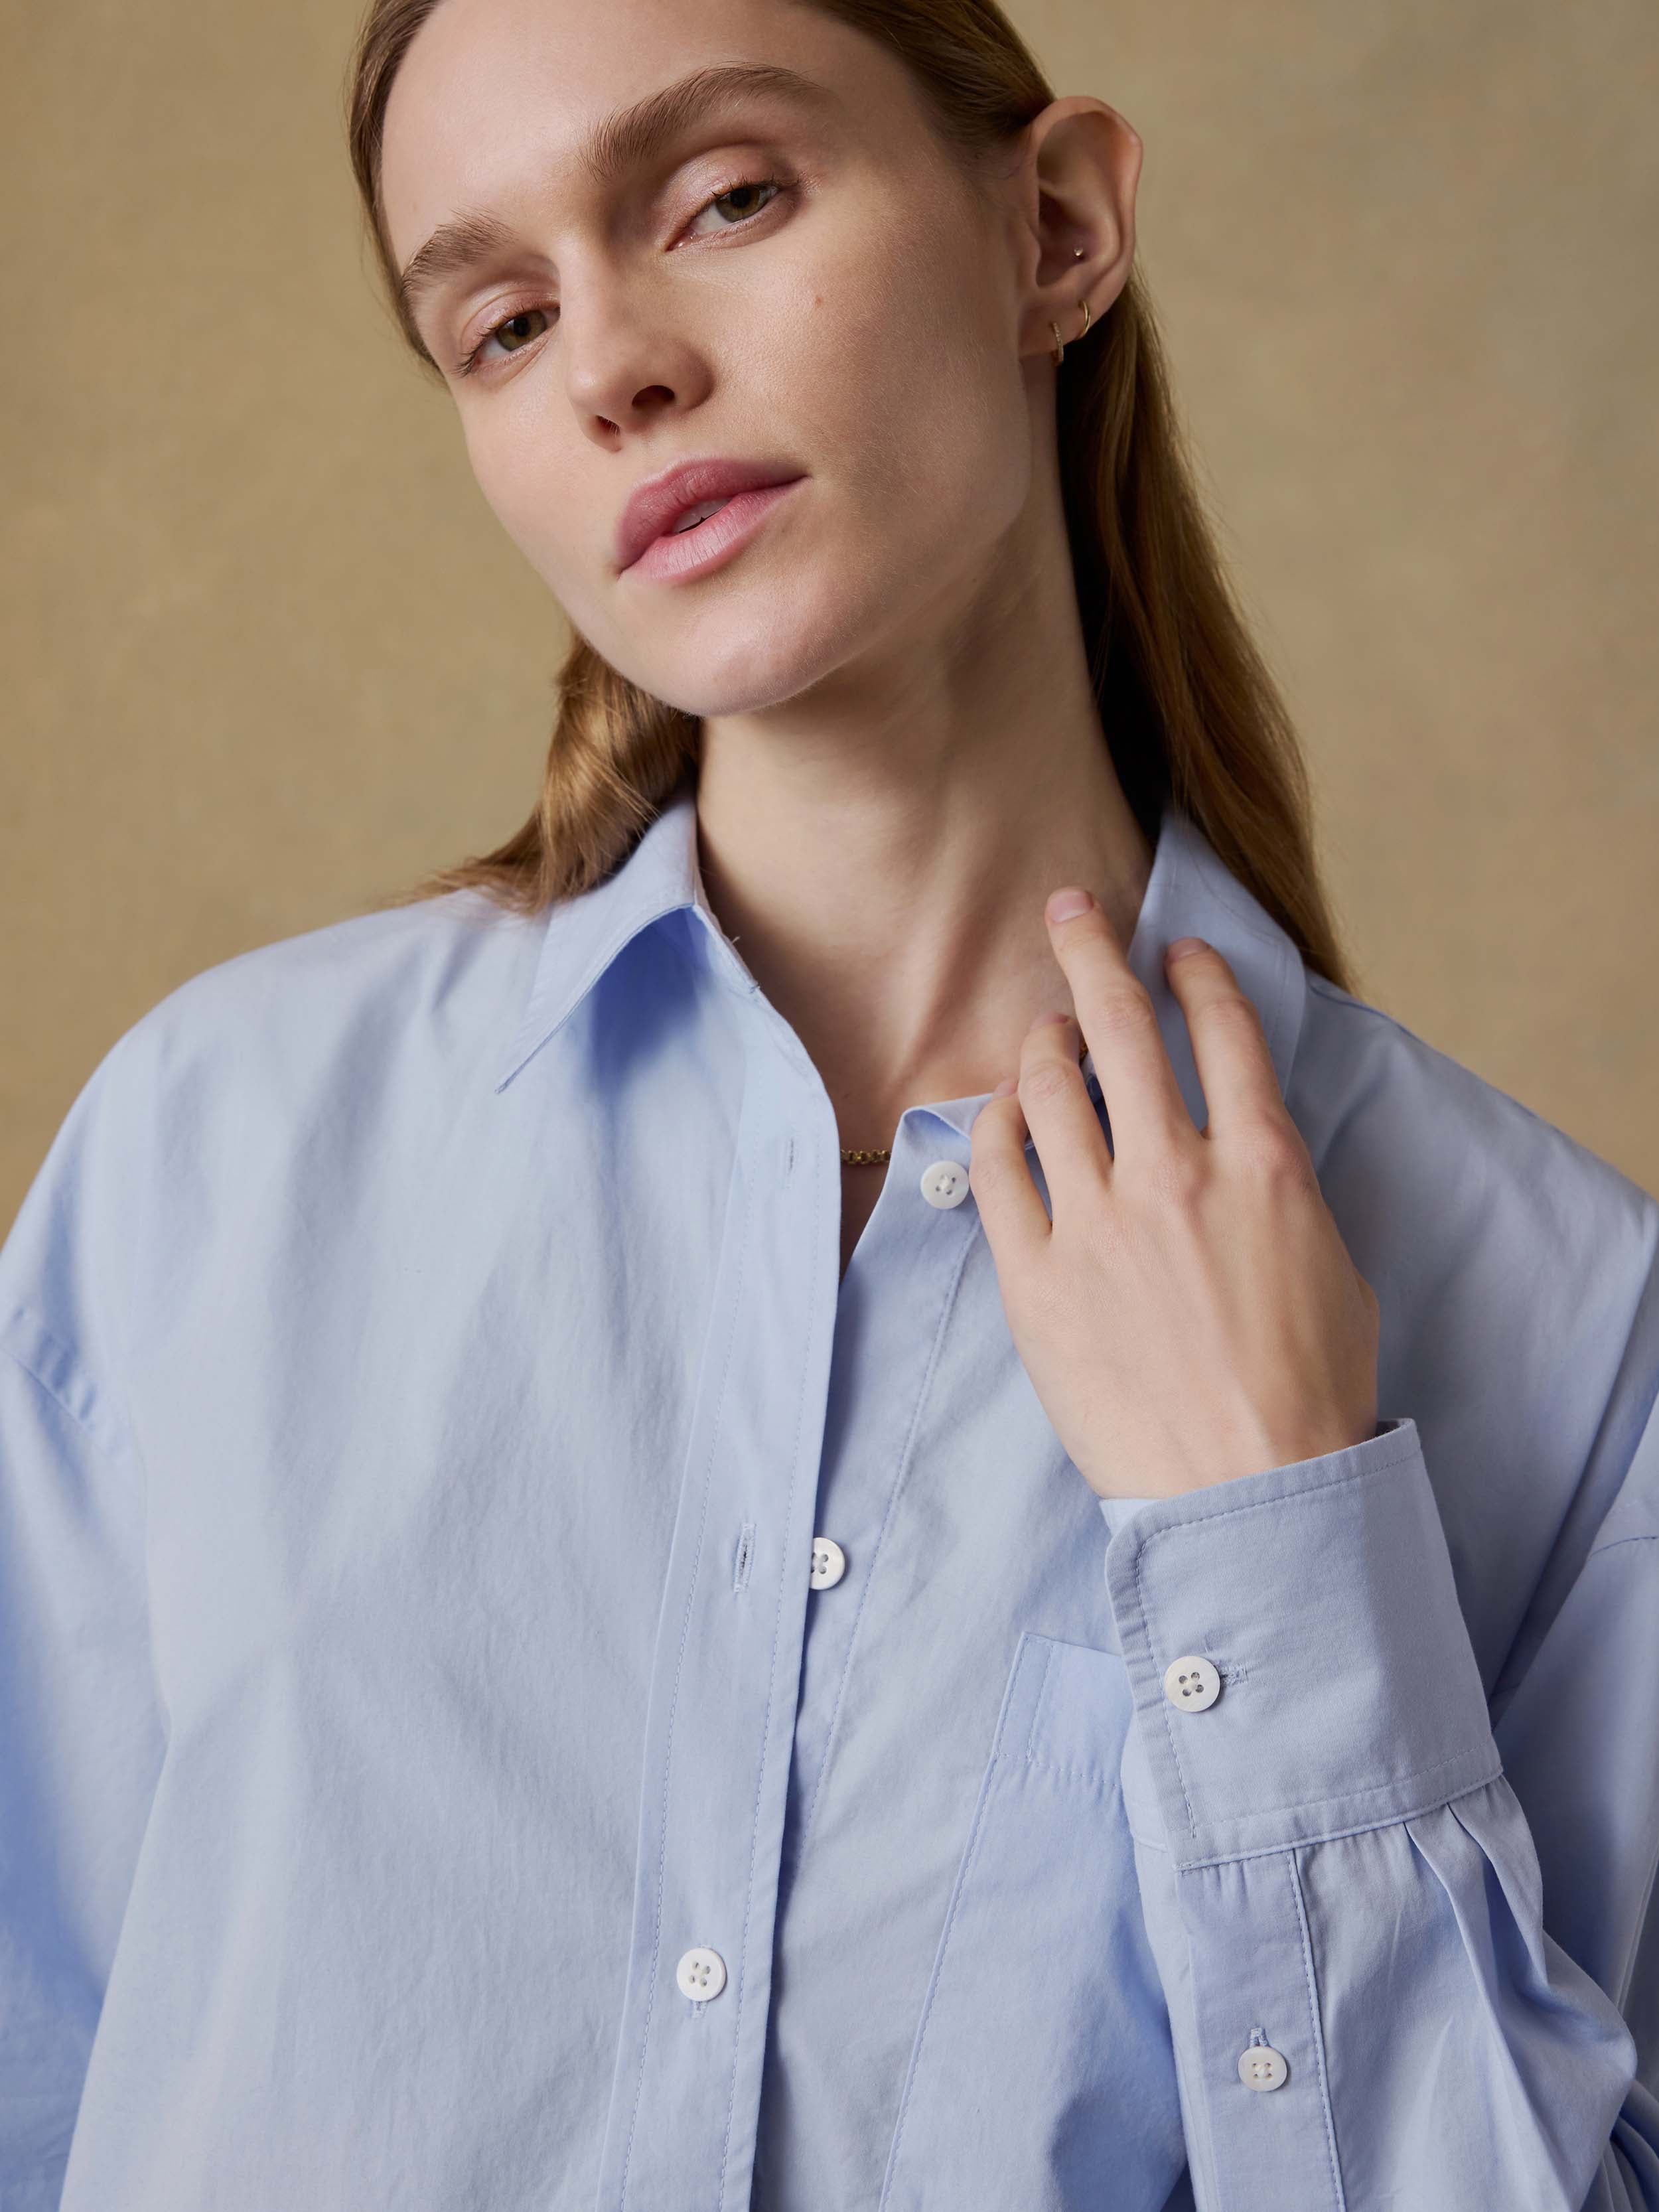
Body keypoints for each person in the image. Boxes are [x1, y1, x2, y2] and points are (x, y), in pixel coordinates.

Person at [1, 0, 1654, 2203]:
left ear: (1050, 228)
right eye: (499, 324)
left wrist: (1274, 1549)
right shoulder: (208, 1162)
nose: (613, 366)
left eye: (725, 199)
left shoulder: (1556, 1314)